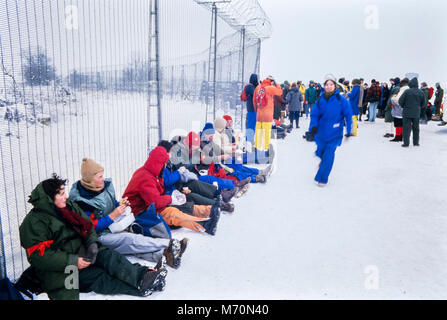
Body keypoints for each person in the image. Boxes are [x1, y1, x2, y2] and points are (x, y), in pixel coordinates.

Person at [19, 174, 167, 300]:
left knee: (110, 257)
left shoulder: (69, 207)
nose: (66, 196)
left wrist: (92, 244)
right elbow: (40, 257)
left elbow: (88, 226)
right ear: (50, 198)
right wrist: (73, 261)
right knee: (98, 278)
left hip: (83, 252)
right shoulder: (34, 223)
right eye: (61, 193)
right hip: (63, 267)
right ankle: (142, 288)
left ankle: (143, 277)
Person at [68, 158, 187, 269]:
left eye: (102, 175)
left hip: (113, 226)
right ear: (90, 179)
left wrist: (119, 204)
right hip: (99, 236)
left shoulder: (102, 187)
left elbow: (110, 203)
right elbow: (90, 227)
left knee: (132, 245)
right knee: (131, 240)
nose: (103, 178)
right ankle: (171, 244)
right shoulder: (83, 201)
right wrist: (112, 215)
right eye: (100, 176)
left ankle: (166, 255)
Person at [123, 146, 221, 235]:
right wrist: (170, 199)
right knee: (172, 212)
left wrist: (173, 198)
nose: (166, 165)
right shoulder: (145, 177)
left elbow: (159, 194)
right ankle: (204, 224)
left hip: (148, 207)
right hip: (138, 213)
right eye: (164, 163)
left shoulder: (154, 173)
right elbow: (154, 202)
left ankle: (209, 210)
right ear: (159, 163)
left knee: (181, 204)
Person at [307, 75, 352, 186]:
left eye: (331, 84)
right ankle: (323, 163)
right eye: (327, 85)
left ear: (335, 86)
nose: (329, 86)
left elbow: (348, 115)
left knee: (329, 154)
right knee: (321, 152)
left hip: (335, 133)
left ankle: (323, 178)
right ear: (324, 86)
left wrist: (349, 130)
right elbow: (314, 115)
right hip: (321, 133)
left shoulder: (341, 100)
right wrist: (313, 126)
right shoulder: (320, 100)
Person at [253, 76, 282, 162]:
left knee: (258, 133)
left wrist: (257, 110)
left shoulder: (258, 87)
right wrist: (277, 84)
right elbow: (280, 92)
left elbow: (254, 101)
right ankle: (266, 152)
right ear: (271, 81)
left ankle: (257, 151)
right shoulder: (270, 88)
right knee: (266, 134)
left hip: (259, 116)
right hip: (268, 116)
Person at [398, 77, 425, 147]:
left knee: (406, 128)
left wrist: (404, 106)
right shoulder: (421, 92)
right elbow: (423, 104)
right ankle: (416, 143)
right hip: (416, 112)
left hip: (407, 112)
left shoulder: (407, 91)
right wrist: (418, 107)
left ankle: (406, 143)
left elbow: (400, 101)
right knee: (416, 128)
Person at [390, 78, 409, 142]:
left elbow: (397, 100)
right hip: (405, 109)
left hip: (399, 110)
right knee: (402, 123)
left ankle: (398, 137)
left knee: (398, 123)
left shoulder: (402, 90)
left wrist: (393, 98)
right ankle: (401, 136)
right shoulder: (409, 89)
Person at [241, 74, 259, 144]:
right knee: (251, 125)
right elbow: (256, 95)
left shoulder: (249, 86)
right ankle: (249, 141)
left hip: (250, 108)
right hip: (252, 109)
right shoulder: (251, 87)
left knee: (250, 124)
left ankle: (249, 140)